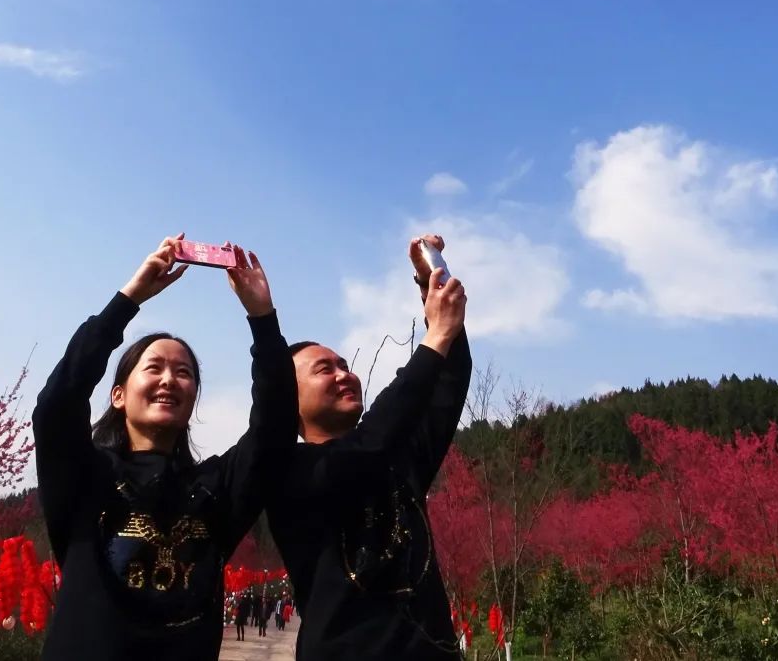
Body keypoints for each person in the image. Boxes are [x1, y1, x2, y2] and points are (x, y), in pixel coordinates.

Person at [32, 235, 297, 661]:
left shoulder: (214, 490)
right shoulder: (86, 477)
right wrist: (129, 298)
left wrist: (263, 318)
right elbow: (57, 405)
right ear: (118, 395)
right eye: (153, 367)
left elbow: (275, 429)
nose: (169, 380)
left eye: (184, 373)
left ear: (193, 398)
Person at [267, 235, 471, 661]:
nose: (345, 375)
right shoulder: (286, 472)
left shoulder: (399, 462)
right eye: (325, 369)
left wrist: (430, 279)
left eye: (344, 365)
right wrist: (433, 341)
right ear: (289, 399)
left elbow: (446, 383)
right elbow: (367, 449)